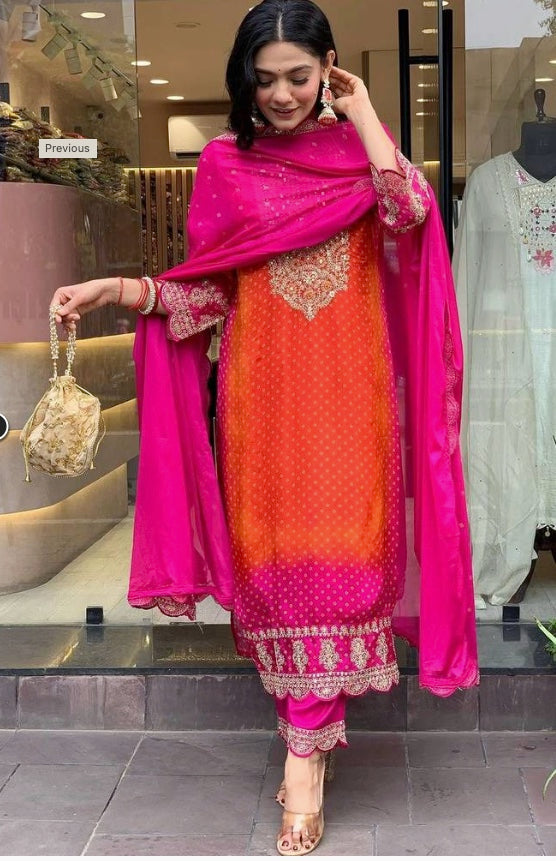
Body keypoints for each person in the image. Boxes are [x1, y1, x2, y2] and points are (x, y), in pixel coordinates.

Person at [50, 0, 478, 854]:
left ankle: (303, 762)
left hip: (352, 404)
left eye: (299, 75)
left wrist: (362, 117)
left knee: (347, 566)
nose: (281, 94)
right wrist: (118, 292)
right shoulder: (223, 166)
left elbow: (414, 215)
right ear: (244, 77)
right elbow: (208, 292)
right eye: (265, 77)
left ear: (327, 70)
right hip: (263, 408)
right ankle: (304, 742)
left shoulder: (363, 159)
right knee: (279, 576)